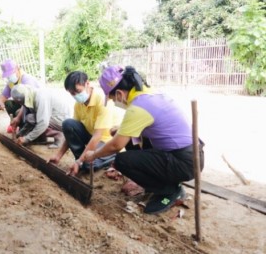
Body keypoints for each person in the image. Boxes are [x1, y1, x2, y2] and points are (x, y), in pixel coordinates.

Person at [84, 65, 205, 214]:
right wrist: (121, 128)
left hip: (184, 162)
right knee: (128, 137)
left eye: (112, 98)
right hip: (192, 155)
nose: (114, 101)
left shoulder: (137, 107)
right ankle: (163, 182)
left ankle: (170, 191)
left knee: (122, 160)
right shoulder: (149, 94)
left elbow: (116, 145)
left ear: (120, 94)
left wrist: (93, 155)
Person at [48, 71, 120, 175]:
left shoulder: (102, 101)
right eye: (72, 93)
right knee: (68, 124)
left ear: (87, 83)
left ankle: (111, 156)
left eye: (78, 91)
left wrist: (79, 162)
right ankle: (81, 160)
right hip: (92, 137)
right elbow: (70, 132)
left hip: (106, 141)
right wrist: (58, 156)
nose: (76, 95)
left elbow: (97, 136)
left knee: (88, 165)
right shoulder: (79, 104)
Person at [10, 84, 71, 148]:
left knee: (36, 121)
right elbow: (31, 120)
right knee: (30, 118)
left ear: (20, 100)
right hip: (56, 117)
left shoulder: (40, 98)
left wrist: (27, 139)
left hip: (63, 121)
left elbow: (43, 123)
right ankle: (42, 136)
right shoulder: (31, 95)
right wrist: (20, 134)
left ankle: (59, 135)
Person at [0, 59, 41, 132]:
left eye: (10, 73)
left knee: (21, 113)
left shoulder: (26, 79)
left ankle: (26, 126)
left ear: (17, 68)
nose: (9, 76)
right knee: (8, 104)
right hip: (24, 104)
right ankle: (20, 124)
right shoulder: (11, 82)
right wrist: (0, 103)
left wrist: (18, 117)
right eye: (7, 75)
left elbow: (28, 102)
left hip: (34, 106)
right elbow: (3, 96)